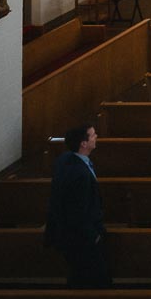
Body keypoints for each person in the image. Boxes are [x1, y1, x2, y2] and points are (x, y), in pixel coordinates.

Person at [45, 122, 110, 288]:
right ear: (84, 143)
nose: (96, 137)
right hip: (80, 236)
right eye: (93, 135)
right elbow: (78, 210)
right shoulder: (80, 174)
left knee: (78, 274)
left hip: (67, 232)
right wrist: (93, 235)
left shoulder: (66, 159)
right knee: (96, 278)